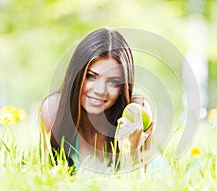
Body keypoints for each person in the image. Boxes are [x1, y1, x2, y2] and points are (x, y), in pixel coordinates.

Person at [39, 28, 154, 172]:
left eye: (113, 82)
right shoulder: (53, 109)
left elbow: (142, 189)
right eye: (91, 76)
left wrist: (132, 151)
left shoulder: (136, 111)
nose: (100, 90)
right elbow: (45, 174)